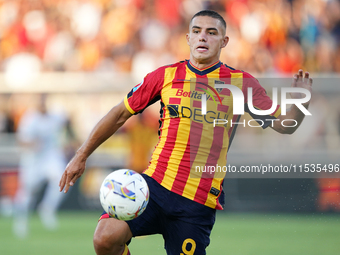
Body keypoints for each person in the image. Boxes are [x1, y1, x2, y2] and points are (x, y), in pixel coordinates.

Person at [59, 10, 313, 255]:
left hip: (196, 201)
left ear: (224, 41)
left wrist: (302, 101)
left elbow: (284, 124)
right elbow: (119, 114)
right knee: (105, 237)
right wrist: (82, 155)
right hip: (154, 188)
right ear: (188, 38)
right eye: (197, 31)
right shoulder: (166, 76)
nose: (203, 37)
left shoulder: (241, 83)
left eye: (211, 32)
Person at [13, 94, 74, 238]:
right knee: (27, 193)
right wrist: (32, 144)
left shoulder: (55, 116)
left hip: (50, 157)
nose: (42, 105)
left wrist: (71, 140)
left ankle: (47, 208)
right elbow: (21, 140)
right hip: (33, 160)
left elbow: (68, 121)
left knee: (62, 179)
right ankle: (21, 222)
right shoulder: (29, 119)